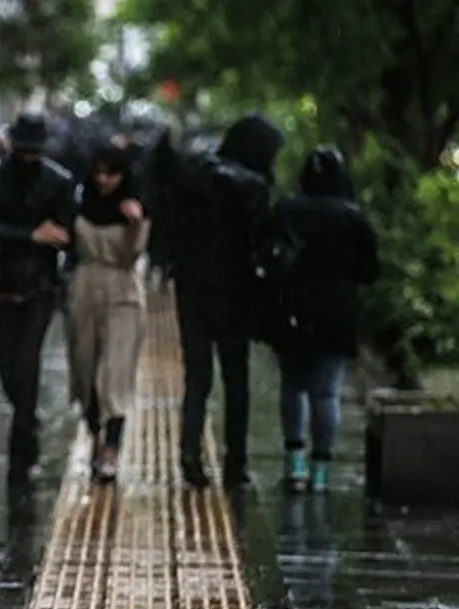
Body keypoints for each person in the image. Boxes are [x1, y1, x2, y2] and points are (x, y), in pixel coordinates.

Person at [154, 113, 285, 489]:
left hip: (192, 288)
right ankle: (235, 463)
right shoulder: (253, 186)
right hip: (235, 293)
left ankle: (189, 451)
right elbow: (260, 243)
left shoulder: (195, 173)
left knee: (197, 376)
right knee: (236, 379)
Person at [0, 112, 80, 483]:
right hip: (2, 281)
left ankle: (22, 442)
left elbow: (66, 231)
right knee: (7, 364)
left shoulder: (58, 181)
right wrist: (30, 235)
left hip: (39, 284)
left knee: (27, 359)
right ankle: (27, 418)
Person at [264, 146, 379, 492]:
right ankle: (321, 471)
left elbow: (266, 256)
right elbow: (370, 270)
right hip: (337, 312)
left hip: (292, 309)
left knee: (293, 386)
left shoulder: (286, 210)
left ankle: (294, 463)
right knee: (326, 392)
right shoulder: (353, 217)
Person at [67, 145, 151, 483]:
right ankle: (95, 435)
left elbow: (133, 255)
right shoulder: (77, 201)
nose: (104, 180)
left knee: (114, 375)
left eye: (111, 173)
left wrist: (134, 224)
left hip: (123, 291)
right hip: (84, 288)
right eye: (98, 172)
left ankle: (112, 450)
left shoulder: (137, 203)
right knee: (85, 371)